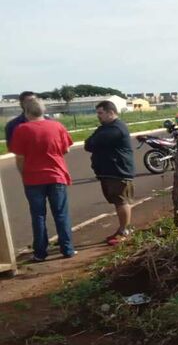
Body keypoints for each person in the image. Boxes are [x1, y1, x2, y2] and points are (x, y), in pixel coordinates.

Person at [8, 97, 75, 261]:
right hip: (56, 174)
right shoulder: (57, 126)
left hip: (33, 178)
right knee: (61, 214)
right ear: (44, 111)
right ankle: (67, 249)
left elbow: (20, 157)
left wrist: (23, 173)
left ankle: (40, 252)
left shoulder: (21, 129)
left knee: (38, 216)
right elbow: (65, 149)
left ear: (26, 112)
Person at [85, 100, 135, 246]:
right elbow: (88, 143)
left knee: (121, 201)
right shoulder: (105, 128)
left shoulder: (116, 129)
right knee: (117, 201)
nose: (98, 116)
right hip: (109, 172)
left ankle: (125, 230)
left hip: (118, 171)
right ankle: (121, 229)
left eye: (100, 113)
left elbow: (92, 143)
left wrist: (94, 141)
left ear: (110, 112)